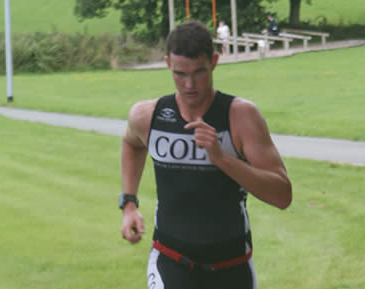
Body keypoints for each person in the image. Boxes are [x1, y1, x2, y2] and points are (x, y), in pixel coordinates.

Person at [118, 21, 292, 289]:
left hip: (231, 265)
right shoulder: (148, 116)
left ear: (214, 61)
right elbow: (132, 143)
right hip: (171, 261)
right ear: (167, 64)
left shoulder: (240, 116)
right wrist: (129, 203)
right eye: (179, 74)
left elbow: (282, 195)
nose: (189, 84)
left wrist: (222, 158)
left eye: (199, 72)